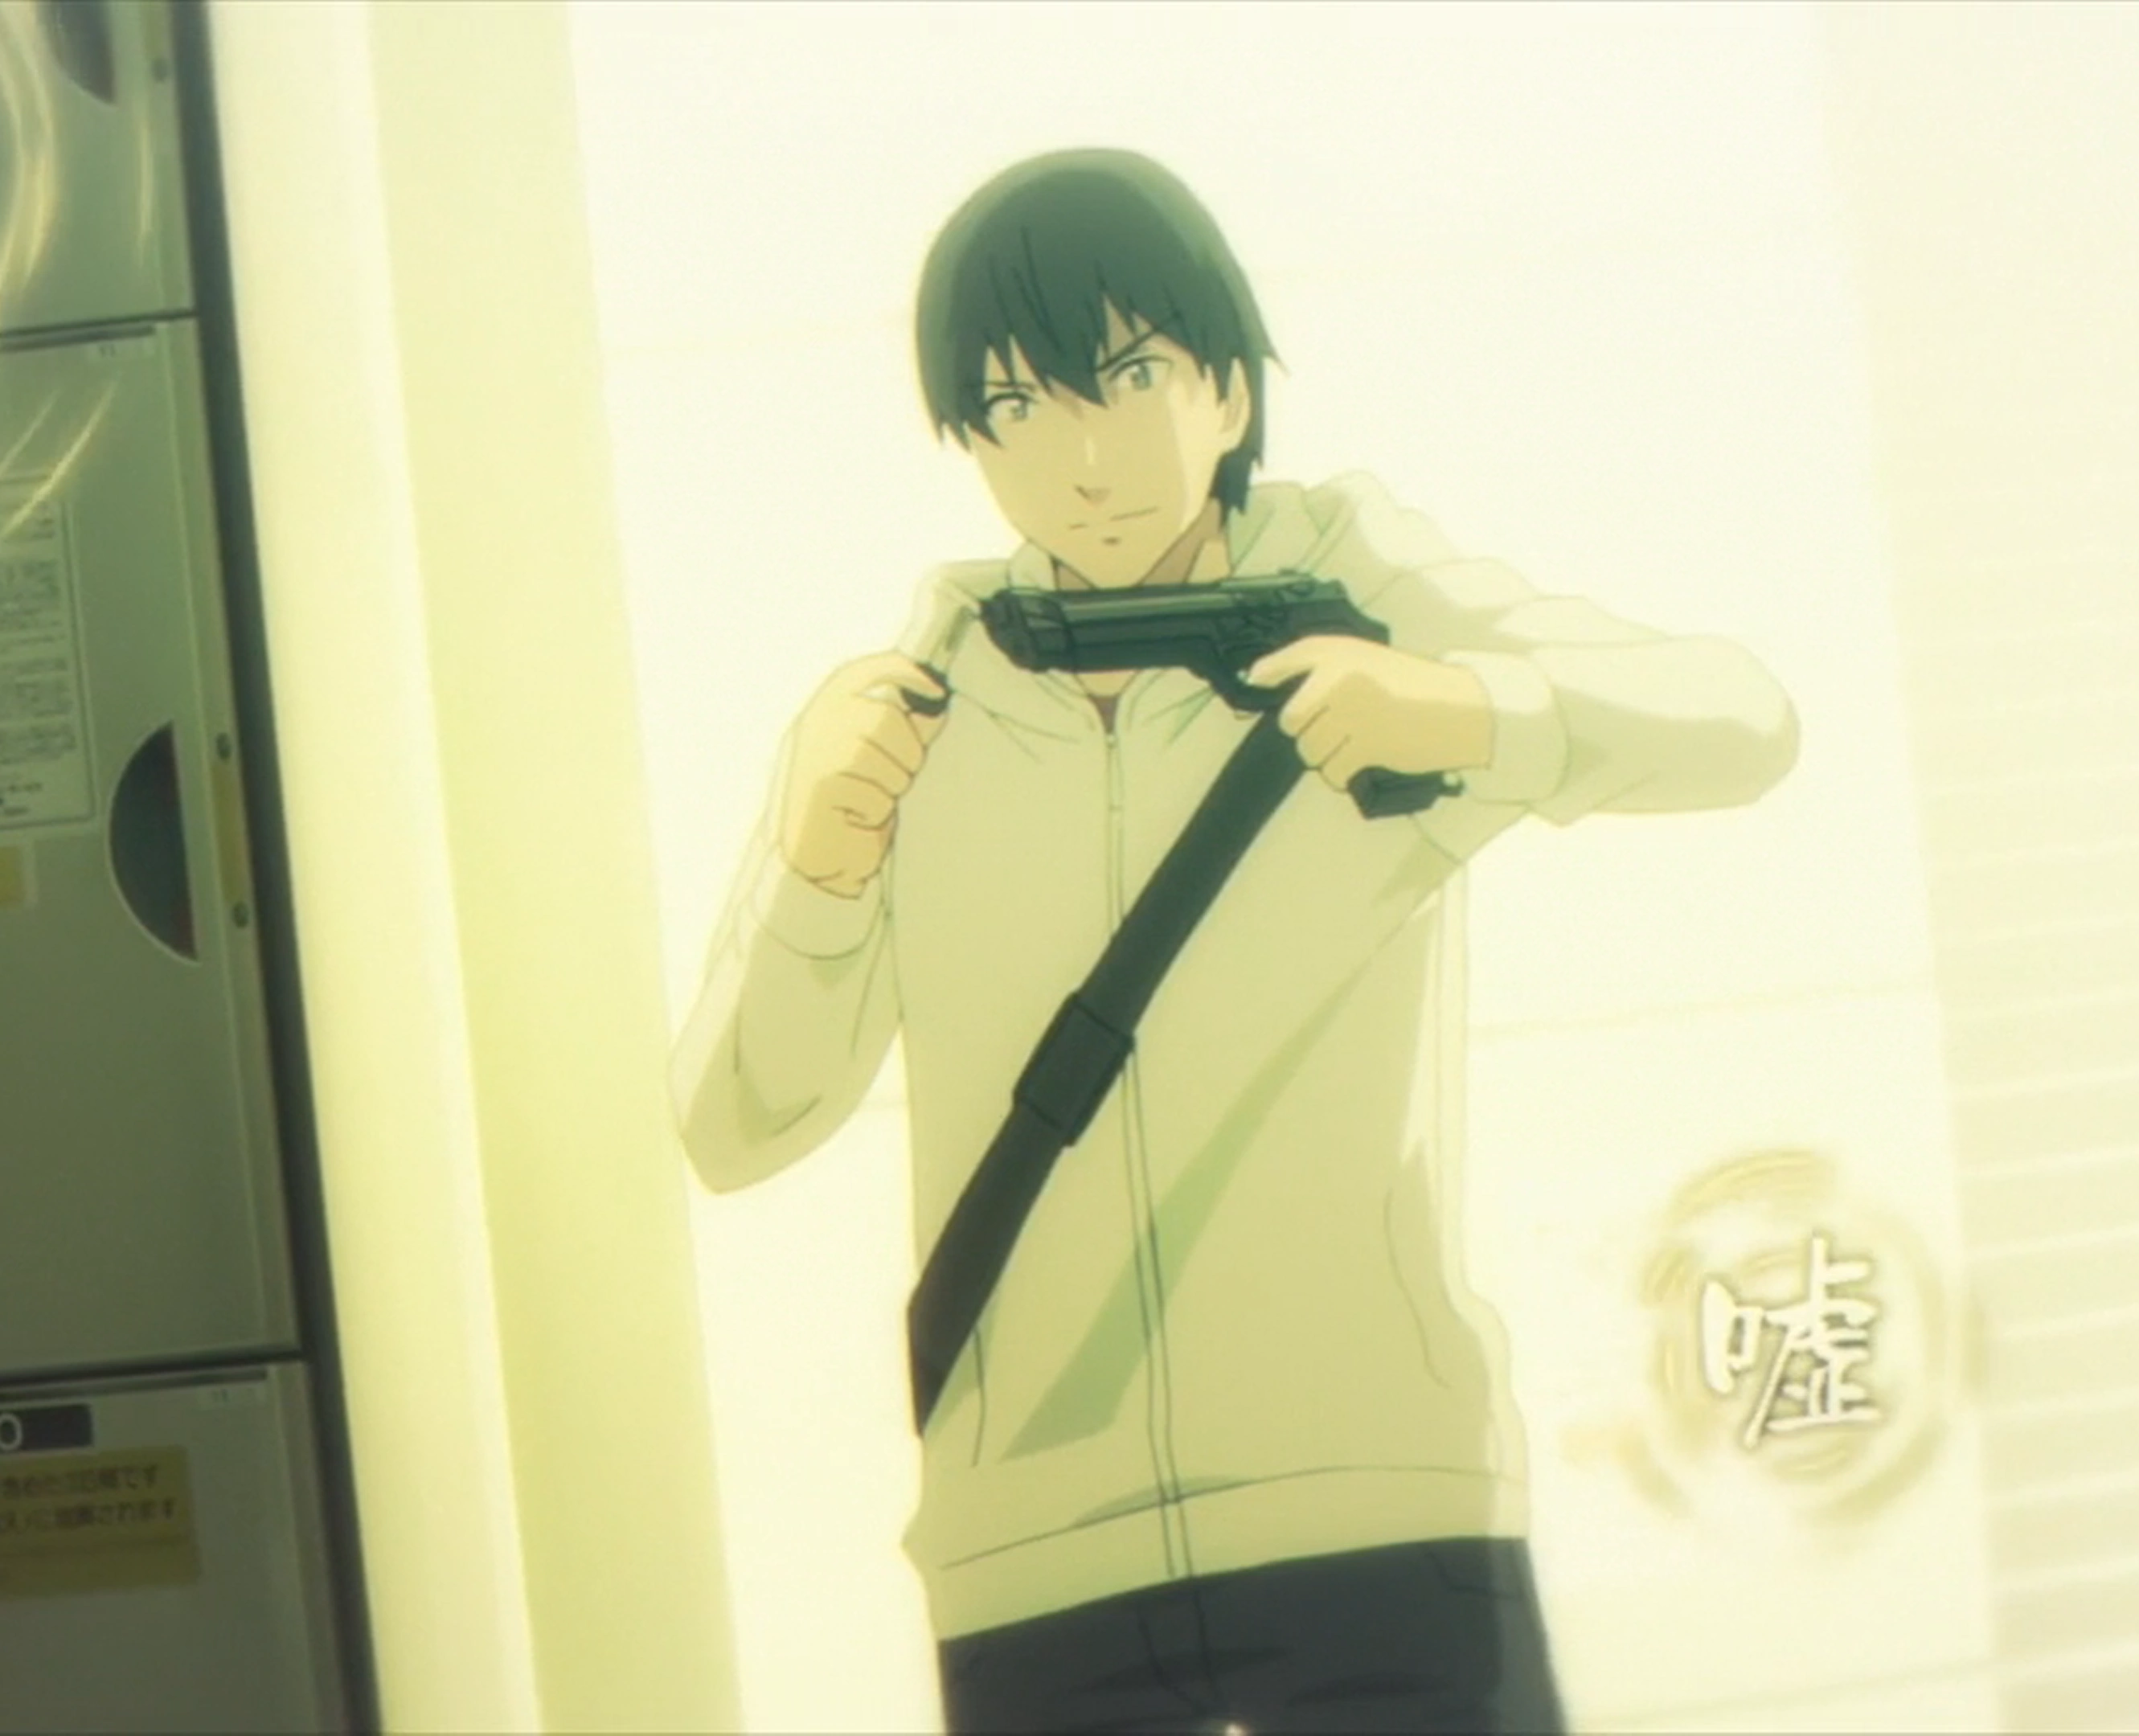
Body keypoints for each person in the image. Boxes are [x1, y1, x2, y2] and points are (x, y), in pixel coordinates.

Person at [669, 148, 1797, 1734]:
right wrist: (816, 866)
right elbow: (733, 1124)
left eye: (1130, 377)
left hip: (1381, 1511)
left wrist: (1471, 709)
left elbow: (1742, 723)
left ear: (1229, 385)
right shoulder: (918, 704)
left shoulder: (1369, 601)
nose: (1081, 461)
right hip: (1031, 1561)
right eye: (1014, 407)